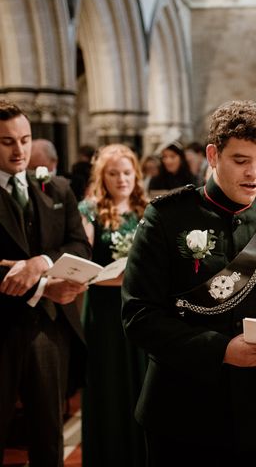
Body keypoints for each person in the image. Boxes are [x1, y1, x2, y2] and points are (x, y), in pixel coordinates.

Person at [121, 100, 256, 467]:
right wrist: (221, 350)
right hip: (181, 408)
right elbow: (139, 315)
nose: (254, 174)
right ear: (213, 155)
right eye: (241, 160)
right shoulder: (166, 218)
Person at [0, 100, 90, 466]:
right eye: (7, 142)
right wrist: (42, 287)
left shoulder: (56, 188)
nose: (19, 149)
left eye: (25, 139)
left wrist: (41, 263)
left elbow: (78, 242)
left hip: (50, 328)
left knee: (48, 433)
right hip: (2, 328)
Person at [78, 144, 148, 467]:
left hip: (142, 310)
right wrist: (123, 278)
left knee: (143, 381)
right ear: (101, 177)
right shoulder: (89, 212)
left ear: (136, 173)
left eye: (126, 172)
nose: (121, 179)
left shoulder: (147, 210)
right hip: (105, 312)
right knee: (109, 383)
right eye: (113, 173)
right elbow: (82, 265)